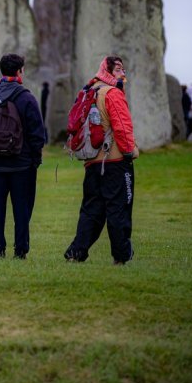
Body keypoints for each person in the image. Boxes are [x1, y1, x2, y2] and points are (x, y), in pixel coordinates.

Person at [64, 55, 139, 265]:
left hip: (92, 162)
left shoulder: (90, 91)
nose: (123, 73)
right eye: (118, 69)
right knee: (118, 208)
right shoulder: (112, 93)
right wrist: (129, 152)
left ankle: (76, 253)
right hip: (114, 162)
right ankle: (122, 256)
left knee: (91, 210)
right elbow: (122, 127)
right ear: (107, 71)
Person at [0, 53, 45, 259]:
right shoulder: (26, 98)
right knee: (22, 210)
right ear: (20, 71)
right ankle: (20, 250)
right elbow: (37, 134)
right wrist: (34, 159)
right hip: (22, 166)